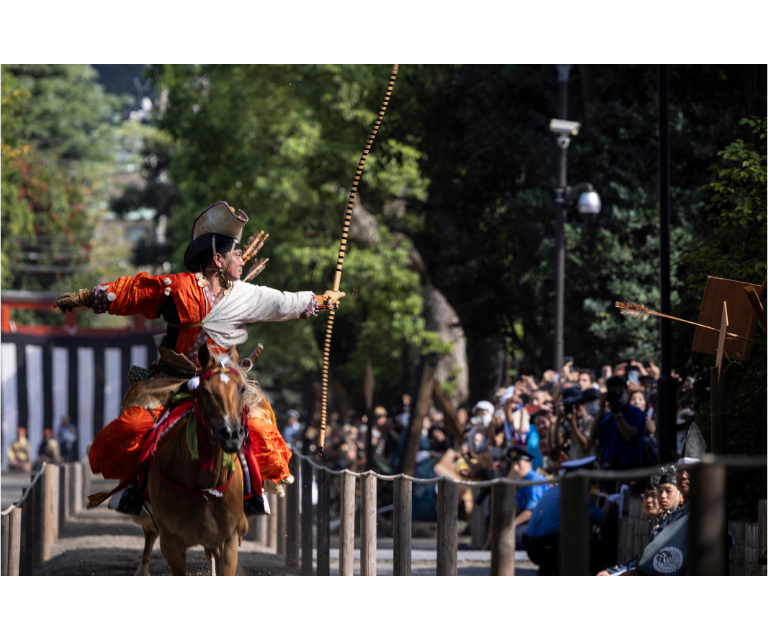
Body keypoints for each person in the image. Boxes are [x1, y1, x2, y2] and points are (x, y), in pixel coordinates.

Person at [54, 201, 345, 516]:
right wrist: (86, 297)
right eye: (236, 254)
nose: (242, 260)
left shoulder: (245, 295)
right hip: (173, 377)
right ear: (218, 259)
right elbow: (135, 292)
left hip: (224, 379)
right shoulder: (177, 286)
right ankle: (136, 489)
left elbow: (282, 302)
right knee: (134, 424)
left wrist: (320, 300)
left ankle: (252, 491)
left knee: (259, 428)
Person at [524, 456, 614, 575]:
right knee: (604, 548)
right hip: (548, 547)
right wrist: (610, 500)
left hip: (532, 546)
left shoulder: (554, 489)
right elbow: (601, 519)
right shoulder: (576, 491)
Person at [593, 376, 646, 471]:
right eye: (614, 393)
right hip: (611, 469)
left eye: (620, 393)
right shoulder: (609, 417)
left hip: (631, 470)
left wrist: (617, 414)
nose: (617, 397)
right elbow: (593, 435)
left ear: (627, 393)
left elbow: (629, 436)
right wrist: (601, 408)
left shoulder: (635, 412)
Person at [507, 447, 547, 549]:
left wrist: (511, 524)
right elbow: (519, 507)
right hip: (533, 521)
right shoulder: (524, 480)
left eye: (518, 464)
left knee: (509, 533)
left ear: (529, 464)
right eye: (512, 465)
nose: (515, 468)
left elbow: (531, 511)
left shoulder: (534, 480)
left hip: (542, 524)